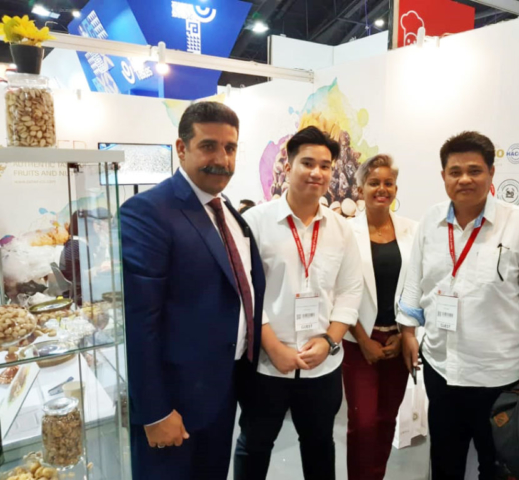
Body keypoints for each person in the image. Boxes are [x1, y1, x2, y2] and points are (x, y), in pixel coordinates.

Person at [397, 131, 519, 480]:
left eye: (474, 170)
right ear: (443, 176)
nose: (464, 179)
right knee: (445, 462)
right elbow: (414, 282)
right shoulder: (431, 222)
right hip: (442, 367)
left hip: (499, 375)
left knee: (496, 467)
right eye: (455, 172)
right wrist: (407, 331)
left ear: (491, 173)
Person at [121, 102, 265, 479]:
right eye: (208, 146)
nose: (222, 159)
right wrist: (154, 411)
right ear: (181, 149)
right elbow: (139, 322)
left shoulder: (227, 210)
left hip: (222, 392)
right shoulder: (148, 212)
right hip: (174, 406)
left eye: (230, 148)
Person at [234, 126, 363, 480]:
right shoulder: (255, 223)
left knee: (320, 444)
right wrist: (273, 347)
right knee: (255, 445)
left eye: (325, 166)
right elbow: (245, 292)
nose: (317, 172)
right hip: (266, 365)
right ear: (288, 165)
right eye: (307, 163)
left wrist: (330, 340)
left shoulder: (341, 229)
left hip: (322, 365)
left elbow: (350, 291)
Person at [342, 154, 418, 480]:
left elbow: (418, 287)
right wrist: (363, 340)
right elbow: (338, 291)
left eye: (389, 183)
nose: (382, 189)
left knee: (387, 420)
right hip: (359, 340)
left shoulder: (413, 230)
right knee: (362, 423)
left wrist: (405, 334)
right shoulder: (345, 231)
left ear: (396, 189)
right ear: (360, 189)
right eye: (374, 183)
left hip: (398, 341)